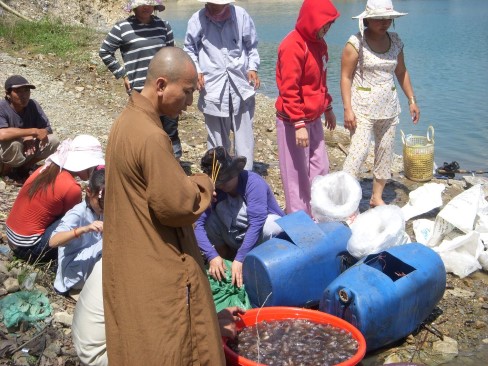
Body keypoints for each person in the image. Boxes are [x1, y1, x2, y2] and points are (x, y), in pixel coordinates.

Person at [103, 47, 226, 364]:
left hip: (131, 254)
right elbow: (176, 207)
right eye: (186, 93)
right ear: (160, 85)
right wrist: (202, 184)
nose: (189, 104)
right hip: (157, 260)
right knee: (177, 344)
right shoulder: (151, 137)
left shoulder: (126, 121)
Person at [72, 258, 245, 366]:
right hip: (103, 354)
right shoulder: (144, 266)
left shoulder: (131, 247)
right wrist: (210, 331)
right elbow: (162, 330)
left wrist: (212, 320)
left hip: (104, 340)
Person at [341, 0, 420, 207]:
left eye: (388, 18)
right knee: (358, 153)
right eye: (379, 18)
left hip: (389, 108)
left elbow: (401, 71)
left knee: (385, 153)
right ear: (367, 19)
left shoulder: (395, 41)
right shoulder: (355, 43)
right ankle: (343, 199)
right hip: (362, 109)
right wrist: (347, 109)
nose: (384, 22)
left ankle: (376, 197)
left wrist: (412, 100)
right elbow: (345, 77)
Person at [275, 0, 340, 216]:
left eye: (330, 25)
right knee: (296, 173)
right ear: (312, 20)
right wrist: (298, 122)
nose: (327, 29)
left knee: (320, 167)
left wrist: (327, 106)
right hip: (293, 120)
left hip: (313, 116)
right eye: (325, 24)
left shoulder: (320, 44)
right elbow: (289, 88)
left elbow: (320, 80)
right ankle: (297, 216)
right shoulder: (292, 45)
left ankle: (318, 210)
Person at [99, 0, 182, 159]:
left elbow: (172, 54)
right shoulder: (121, 28)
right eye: (143, 4)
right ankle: (147, 165)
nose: (146, 7)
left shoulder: (163, 26)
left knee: (170, 130)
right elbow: (105, 51)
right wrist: (122, 73)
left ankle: (174, 167)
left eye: (150, 3)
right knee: (146, 129)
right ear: (134, 7)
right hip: (140, 88)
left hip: (166, 87)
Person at [184, 0, 260, 170]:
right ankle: (219, 174)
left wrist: (253, 67)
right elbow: (189, 48)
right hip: (212, 84)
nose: (213, 7)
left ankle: (244, 174)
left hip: (240, 83)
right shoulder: (197, 19)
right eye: (210, 4)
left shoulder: (240, 16)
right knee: (216, 135)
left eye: (217, 4)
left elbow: (251, 45)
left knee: (244, 135)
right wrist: (197, 71)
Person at [5, 135, 105, 263]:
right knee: (83, 218)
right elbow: (73, 218)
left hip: (12, 237)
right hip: (28, 247)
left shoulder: (45, 168)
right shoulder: (72, 187)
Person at [196, 146, 284, 288]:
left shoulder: (253, 183)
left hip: (260, 237)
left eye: (225, 180)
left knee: (271, 225)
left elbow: (257, 222)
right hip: (234, 235)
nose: (221, 185)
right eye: (218, 182)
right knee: (209, 221)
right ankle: (225, 264)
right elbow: (197, 224)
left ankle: (267, 267)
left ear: (235, 172)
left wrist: (241, 258)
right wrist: (211, 255)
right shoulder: (214, 190)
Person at [49, 167, 105, 295]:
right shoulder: (78, 213)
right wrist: (84, 229)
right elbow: (53, 242)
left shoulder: (102, 210)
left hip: (88, 263)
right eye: (100, 201)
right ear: (89, 192)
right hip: (72, 274)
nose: (104, 206)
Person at [0, 75, 59, 183]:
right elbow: (2, 134)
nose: (24, 95)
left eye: (27, 91)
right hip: (4, 155)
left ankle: (23, 169)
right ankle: (6, 173)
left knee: (53, 141)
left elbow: (47, 129)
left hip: (26, 151)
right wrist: (31, 133)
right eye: (18, 92)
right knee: (15, 144)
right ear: (8, 94)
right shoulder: (2, 107)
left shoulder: (33, 105)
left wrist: (30, 136)